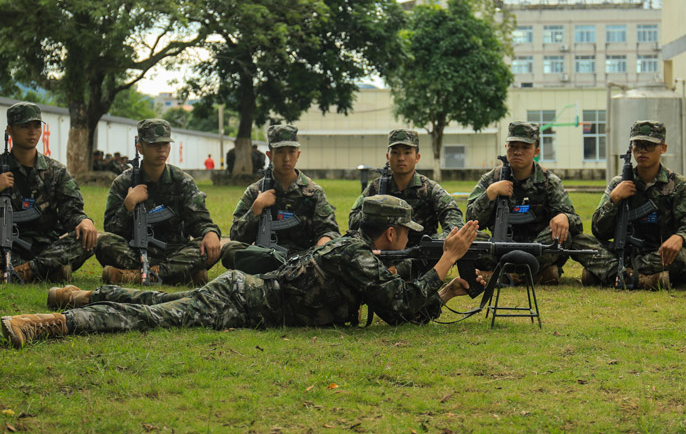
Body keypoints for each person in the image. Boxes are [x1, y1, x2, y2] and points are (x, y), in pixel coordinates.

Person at [1, 196, 484, 348]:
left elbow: (403, 308)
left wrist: (447, 291)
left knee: (155, 302)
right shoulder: (355, 255)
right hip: (240, 300)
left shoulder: (360, 254)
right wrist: (445, 260)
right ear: (393, 232)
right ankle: (50, 324)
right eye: (405, 230)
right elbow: (398, 306)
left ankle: (78, 297)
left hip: (243, 296)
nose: (407, 236)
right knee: (156, 317)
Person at [574, 121, 686, 290]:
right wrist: (613, 200)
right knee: (578, 241)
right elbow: (599, 231)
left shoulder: (679, 185)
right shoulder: (618, 184)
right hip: (626, 253)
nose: (642, 150)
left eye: (649, 145)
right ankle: (640, 279)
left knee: (683, 256)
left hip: (661, 254)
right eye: (637, 145)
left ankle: (614, 274)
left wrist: (680, 238)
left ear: (663, 148)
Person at [94, 119, 222, 286]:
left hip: (176, 252)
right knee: (103, 243)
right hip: (135, 252)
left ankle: (139, 275)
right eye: (154, 144)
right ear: (140, 147)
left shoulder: (182, 181)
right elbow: (112, 229)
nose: (161, 149)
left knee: (207, 246)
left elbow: (200, 221)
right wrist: (128, 205)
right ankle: (182, 274)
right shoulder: (123, 183)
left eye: (165, 144)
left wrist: (210, 233)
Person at [466, 121, 588, 285]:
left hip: (536, 248)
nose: (517, 152)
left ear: (536, 151)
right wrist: (490, 194)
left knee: (562, 236)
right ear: (506, 147)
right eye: (513, 146)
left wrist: (564, 217)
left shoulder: (548, 181)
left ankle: (502, 276)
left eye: (525, 147)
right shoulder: (491, 180)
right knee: (467, 237)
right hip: (497, 248)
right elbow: (471, 220)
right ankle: (535, 275)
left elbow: (576, 221)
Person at [220, 125, 339, 274]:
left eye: (291, 152)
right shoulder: (255, 191)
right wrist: (256, 209)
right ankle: (284, 273)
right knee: (229, 250)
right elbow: (236, 237)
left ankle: (288, 273)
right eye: (280, 152)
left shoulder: (313, 192)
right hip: (264, 256)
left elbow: (330, 230)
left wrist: (322, 245)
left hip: (303, 259)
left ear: (298, 154)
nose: (286, 158)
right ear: (270, 155)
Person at [0, 102, 98, 282]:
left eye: (36, 126)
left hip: (47, 248)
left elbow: (72, 210)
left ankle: (28, 272)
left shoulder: (56, 171)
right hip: (6, 246)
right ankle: (50, 272)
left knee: (88, 237)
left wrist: (83, 221)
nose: (32, 132)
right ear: (10, 130)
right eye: (25, 126)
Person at [349, 129, 464, 248]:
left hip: (421, 257)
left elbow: (455, 223)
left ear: (417, 157)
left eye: (407, 153)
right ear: (388, 157)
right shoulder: (375, 188)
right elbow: (353, 222)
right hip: (383, 256)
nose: (401, 158)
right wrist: (375, 211)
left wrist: (431, 242)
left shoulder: (429, 189)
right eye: (395, 153)